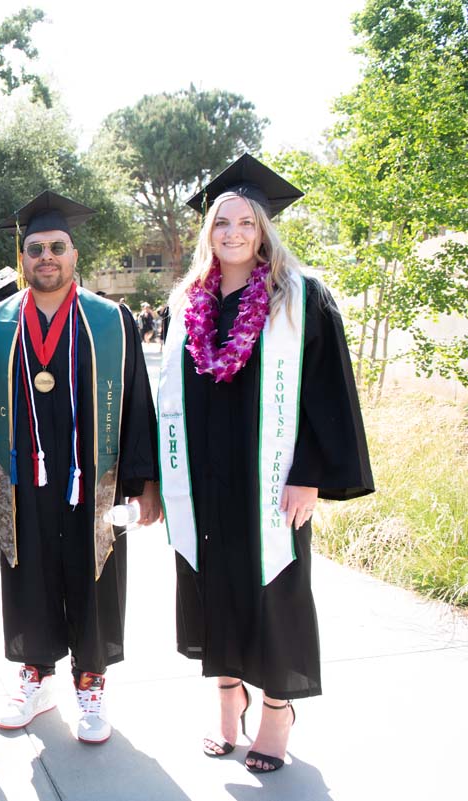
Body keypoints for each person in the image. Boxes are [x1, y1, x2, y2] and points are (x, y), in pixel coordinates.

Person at [160, 154, 373, 773]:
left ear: (263, 231)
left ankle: (278, 707)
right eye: (220, 223)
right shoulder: (188, 301)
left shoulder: (300, 297)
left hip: (271, 480)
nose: (230, 233)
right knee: (213, 585)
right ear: (208, 233)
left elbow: (329, 389)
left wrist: (310, 472)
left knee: (276, 587)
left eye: (244, 223)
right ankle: (229, 698)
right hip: (202, 480)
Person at [0, 192, 160, 743]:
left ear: (74, 254)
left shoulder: (110, 319)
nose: (46, 257)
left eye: (57, 247)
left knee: (94, 569)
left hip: (93, 477)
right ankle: (35, 672)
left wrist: (142, 482)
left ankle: (91, 679)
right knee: (27, 565)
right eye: (35, 249)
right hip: (24, 474)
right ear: (22, 257)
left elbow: (135, 399)